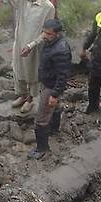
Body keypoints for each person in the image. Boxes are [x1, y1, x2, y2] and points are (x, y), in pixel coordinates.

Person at [29, 19, 71, 160]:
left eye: (48, 33)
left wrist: (55, 94)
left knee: (41, 118)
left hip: (51, 87)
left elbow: (63, 75)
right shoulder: (51, 43)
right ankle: (54, 129)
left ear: (57, 34)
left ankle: (42, 149)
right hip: (49, 82)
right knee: (56, 108)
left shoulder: (61, 50)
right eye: (44, 32)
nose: (44, 36)